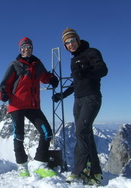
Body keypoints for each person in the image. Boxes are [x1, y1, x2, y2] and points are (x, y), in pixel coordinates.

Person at [52, 28, 108, 185]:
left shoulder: (91, 52)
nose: (70, 44)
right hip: (78, 100)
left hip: (92, 98)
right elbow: (76, 83)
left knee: (81, 131)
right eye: (67, 43)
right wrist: (62, 95)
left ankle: (79, 171)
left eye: (72, 40)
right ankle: (95, 172)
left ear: (78, 39)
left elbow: (103, 70)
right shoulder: (73, 60)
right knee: (85, 134)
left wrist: (86, 73)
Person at [0, 37, 59, 177]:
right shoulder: (15, 64)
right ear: (20, 49)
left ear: (32, 48)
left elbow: (44, 76)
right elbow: (5, 82)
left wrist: (51, 79)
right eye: (24, 47)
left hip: (33, 106)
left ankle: (39, 164)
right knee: (19, 136)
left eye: (29, 47)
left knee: (46, 132)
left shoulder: (37, 64)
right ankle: (22, 166)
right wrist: (3, 93)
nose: (27, 49)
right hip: (17, 105)